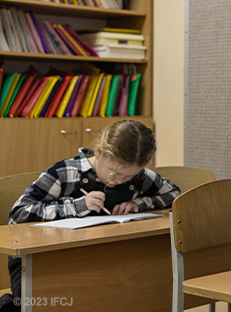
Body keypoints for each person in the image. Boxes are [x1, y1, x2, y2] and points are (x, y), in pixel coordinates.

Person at [0, 119, 181, 312]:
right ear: (99, 152)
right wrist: (77, 206)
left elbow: (174, 195)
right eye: (113, 172)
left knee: (131, 290)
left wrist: (138, 203)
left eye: (127, 177)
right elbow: (18, 215)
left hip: (106, 262)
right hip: (46, 264)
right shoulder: (65, 172)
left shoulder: (139, 176)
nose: (119, 181)